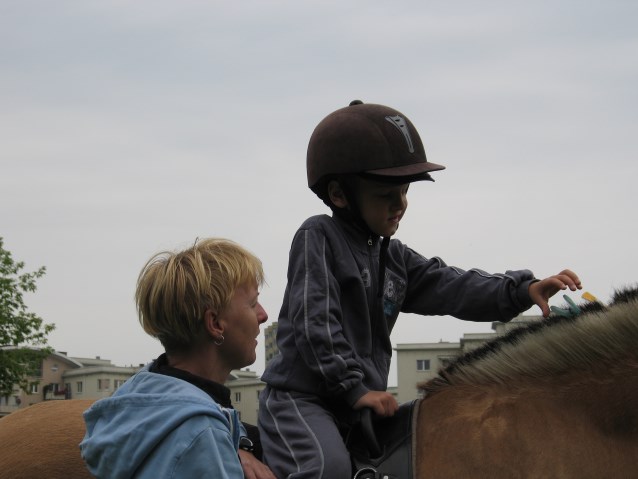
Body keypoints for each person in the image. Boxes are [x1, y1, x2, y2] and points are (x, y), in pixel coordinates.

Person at [257, 100, 583, 478]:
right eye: (385, 195)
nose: (401, 205)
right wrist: (353, 387)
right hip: (303, 400)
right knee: (327, 470)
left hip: (356, 400)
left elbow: (451, 284)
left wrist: (520, 290)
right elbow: (316, 323)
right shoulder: (319, 236)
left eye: (406, 192)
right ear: (339, 194)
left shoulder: (392, 258)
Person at [80, 238, 276, 479]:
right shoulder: (201, 434)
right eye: (253, 303)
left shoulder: (137, 401)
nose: (263, 315)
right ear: (215, 323)